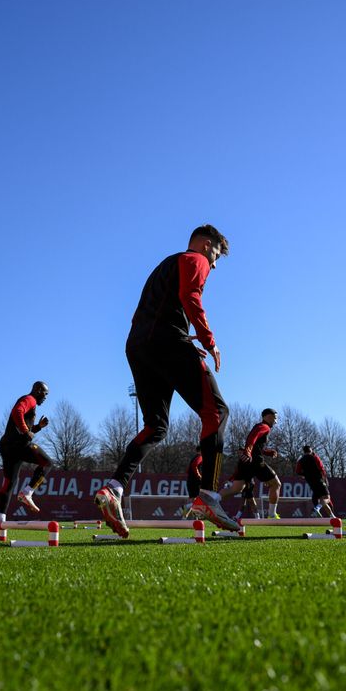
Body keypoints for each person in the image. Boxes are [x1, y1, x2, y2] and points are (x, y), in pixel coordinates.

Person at [94, 225, 237, 538]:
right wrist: (207, 339)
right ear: (205, 244)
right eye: (215, 255)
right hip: (166, 343)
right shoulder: (193, 259)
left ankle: (113, 489)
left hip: (138, 346)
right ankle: (209, 497)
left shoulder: (165, 265)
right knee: (218, 413)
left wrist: (182, 340)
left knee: (156, 426)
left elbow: (153, 311)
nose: (213, 265)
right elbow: (190, 296)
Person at [0, 382, 53, 527]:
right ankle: (27, 492)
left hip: (7, 446)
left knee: (9, 482)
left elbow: (25, 429)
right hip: (18, 445)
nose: (45, 398)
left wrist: (38, 427)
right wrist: (26, 431)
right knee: (48, 463)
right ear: (38, 390)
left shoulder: (29, 401)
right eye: (45, 394)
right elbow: (17, 412)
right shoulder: (30, 399)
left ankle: (0, 518)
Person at [218, 409, 281, 519]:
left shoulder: (260, 426)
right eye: (275, 418)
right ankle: (271, 514)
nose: (276, 421)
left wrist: (267, 452)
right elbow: (252, 437)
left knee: (236, 489)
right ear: (267, 417)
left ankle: (210, 501)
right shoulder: (264, 427)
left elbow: (255, 444)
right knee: (276, 484)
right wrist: (248, 451)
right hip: (254, 461)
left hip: (246, 461)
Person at [295, 445, 335, 518]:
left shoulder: (301, 460)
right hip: (319, 480)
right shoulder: (314, 457)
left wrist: (305, 474)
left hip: (310, 482)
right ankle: (317, 508)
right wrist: (325, 478)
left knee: (322, 499)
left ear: (304, 452)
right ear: (311, 450)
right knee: (327, 498)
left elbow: (297, 471)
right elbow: (321, 468)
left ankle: (332, 517)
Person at [179, 444, 203, 518]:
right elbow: (194, 465)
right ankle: (186, 507)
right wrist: (199, 476)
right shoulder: (200, 457)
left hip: (190, 480)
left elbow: (188, 470)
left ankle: (185, 516)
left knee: (192, 499)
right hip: (195, 481)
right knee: (199, 499)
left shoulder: (194, 457)